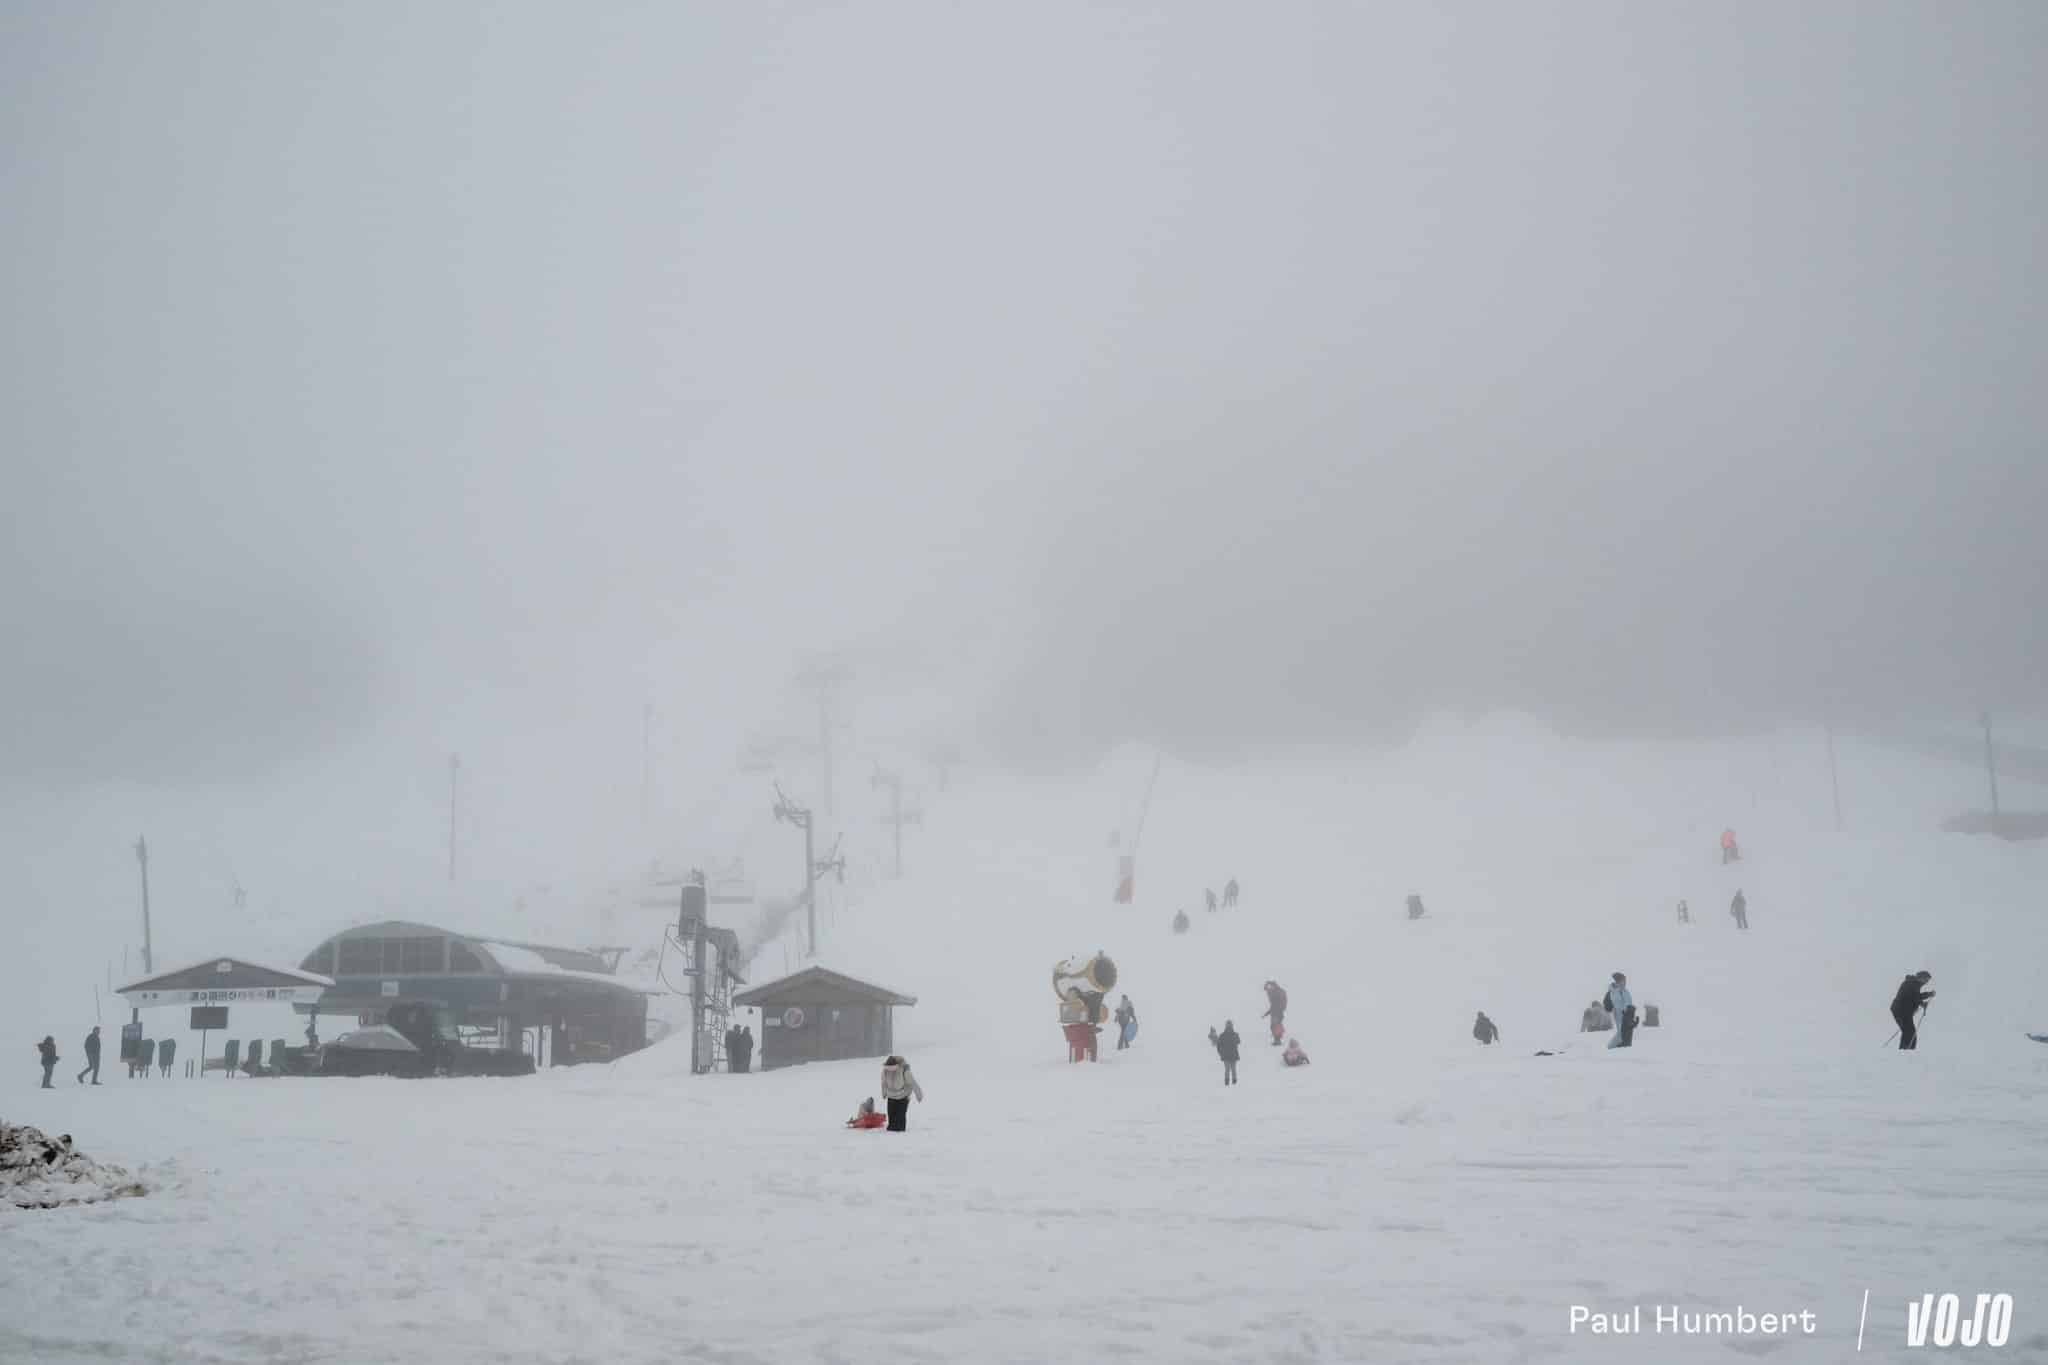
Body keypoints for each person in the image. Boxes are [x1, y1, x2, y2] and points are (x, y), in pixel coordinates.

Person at [1891, 971, 1935, 1050]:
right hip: (1901, 1010)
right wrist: (1925, 999)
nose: (1926, 982)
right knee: (1909, 1032)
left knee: (1908, 1031)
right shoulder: (1911, 983)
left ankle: (1905, 1050)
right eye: (1926, 979)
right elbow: (1913, 997)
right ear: (1921, 977)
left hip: (1903, 1010)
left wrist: (1925, 999)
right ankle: (1906, 1051)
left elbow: (1915, 996)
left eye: (1927, 980)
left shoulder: (1914, 984)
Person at [879, 1055, 923, 1130]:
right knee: (892, 1119)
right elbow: (883, 1083)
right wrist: (884, 1093)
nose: (890, 1070)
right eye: (888, 1068)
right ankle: (891, 1132)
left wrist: (919, 1094)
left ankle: (900, 1132)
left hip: (903, 1096)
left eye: (892, 1068)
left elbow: (913, 1083)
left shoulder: (904, 1071)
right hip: (891, 1096)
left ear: (896, 1065)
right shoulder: (885, 1071)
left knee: (900, 1118)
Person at [1604, 973, 1636, 1049]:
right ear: (1618, 982)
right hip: (1620, 1018)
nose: (1625, 983)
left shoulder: (1626, 992)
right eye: (1623, 981)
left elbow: (1629, 1005)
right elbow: (1608, 1008)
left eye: (1625, 981)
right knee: (1621, 1035)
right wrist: (1609, 1005)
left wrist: (1632, 1017)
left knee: (1626, 1038)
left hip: (1627, 1019)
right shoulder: (1611, 993)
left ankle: (1613, 1049)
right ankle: (1610, 1049)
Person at [1212, 1020, 1241, 1085]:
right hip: (1229, 1055)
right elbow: (1219, 1046)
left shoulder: (1232, 1034)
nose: (1229, 1026)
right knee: (1230, 1069)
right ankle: (1230, 1083)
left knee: (1231, 1069)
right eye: (1228, 1025)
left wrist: (1221, 1053)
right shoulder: (1224, 1035)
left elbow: (1238, 1041)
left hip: (1231, 1055)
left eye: (1230, 1025)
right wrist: (1221, 1053)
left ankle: (1232, 1083)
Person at [1261, 980, 1288, 1045]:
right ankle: (1277, 1038)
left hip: (1277, 1012)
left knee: (1275, 1026)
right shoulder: (1277, 992)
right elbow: (1273, 1006)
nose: (1267, 993)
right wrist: (1266, 1014)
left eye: (1269, 989)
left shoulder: (1276, 993)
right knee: (1275, 1026)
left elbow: (1275, 1005)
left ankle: (1277, 1040)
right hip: (1277, 1012)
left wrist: (1268, 1013)